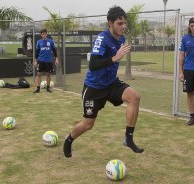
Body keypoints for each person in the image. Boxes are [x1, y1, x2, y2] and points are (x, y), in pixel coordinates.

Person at [63, 6, 144, 158]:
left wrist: (116, 57)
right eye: (120, 23)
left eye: (124, 23)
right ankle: (69, 139)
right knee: (88, 124)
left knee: (134, 97)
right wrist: (115, 57)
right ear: (110, 23)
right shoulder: (102, 38)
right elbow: (93, 65)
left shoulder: (122, 39)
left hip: (112, 84)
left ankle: (128, 138)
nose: (123, 26)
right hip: (94, 88)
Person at [33, 28, 58, 93]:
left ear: (47, 34)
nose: (44, 35)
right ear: (41, 35)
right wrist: (35, 60)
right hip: (40, 60)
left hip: (48, 61)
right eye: (43, 34)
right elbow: (37, 52)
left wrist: (56, 59)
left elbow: (54, 50)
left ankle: (48, 88)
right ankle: (38, 88)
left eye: (45, 34)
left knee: (48, 74)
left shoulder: (51, 41)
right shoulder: (39, 42)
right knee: (38, 74)